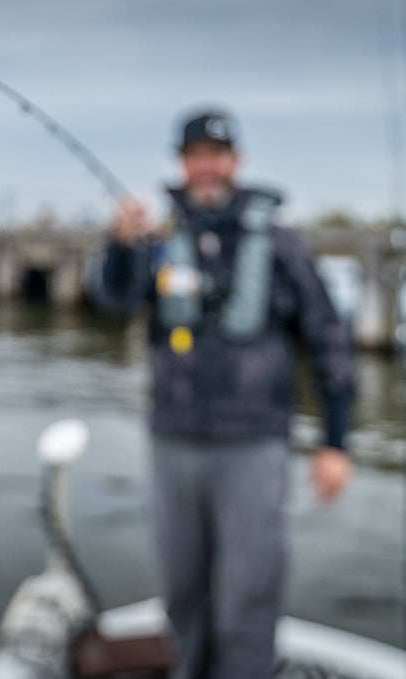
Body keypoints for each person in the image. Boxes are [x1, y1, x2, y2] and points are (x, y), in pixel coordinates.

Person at [87, 109, 354, 679]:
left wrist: (335, 441)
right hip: (172, 440)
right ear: (182, 164)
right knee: (182, 588)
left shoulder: (282, 245)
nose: (206, 166)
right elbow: (112, 301)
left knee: (247, 592)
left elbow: (328, 338)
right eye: (195, 156)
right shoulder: (158, 242)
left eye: (217, 154)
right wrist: (119, 244)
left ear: (236, 161)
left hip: (252, 443)